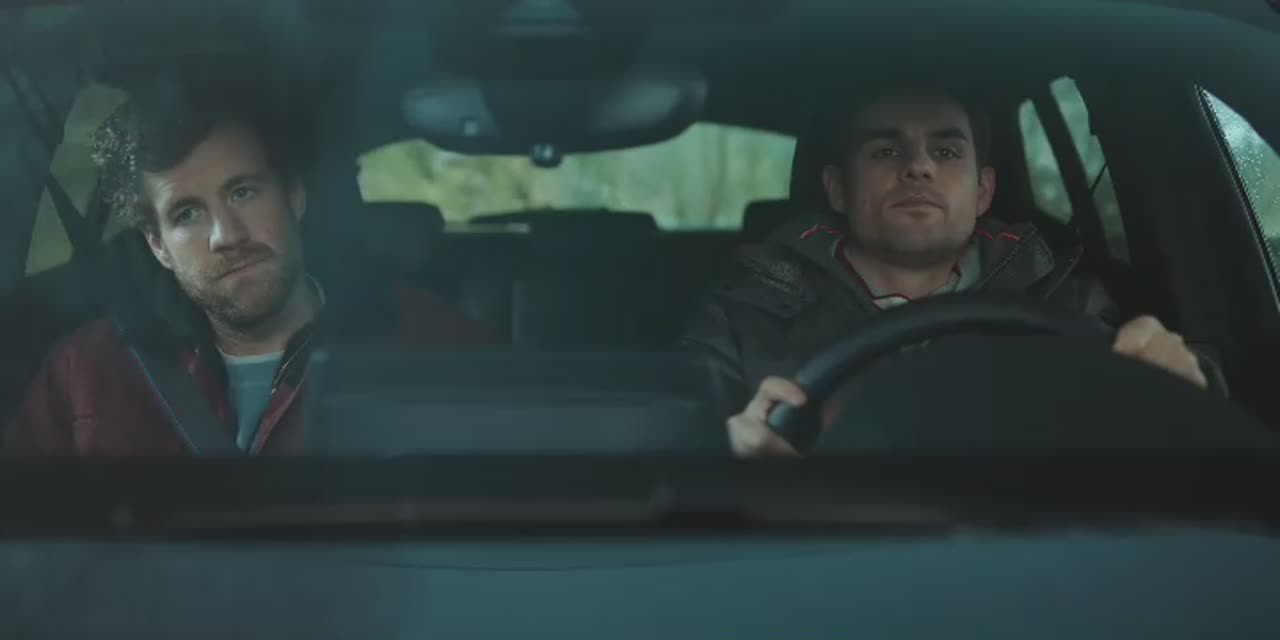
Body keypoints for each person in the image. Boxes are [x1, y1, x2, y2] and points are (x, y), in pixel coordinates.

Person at [682, 82, 1222, 457]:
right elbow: (678, 439)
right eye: (885, 151)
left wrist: (1188, 381)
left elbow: (1168, 428)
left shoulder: (1065, 299)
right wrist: (730, 453)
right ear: (838, 189)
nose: (917, 167)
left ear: (983, 190)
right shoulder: (742, 311)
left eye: (944, 152)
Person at [5, 75, 492, 456]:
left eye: (242, 192)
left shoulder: (434, 344)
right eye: (187, 214)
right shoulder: (86, 375)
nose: (226, 235)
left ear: (294, 197)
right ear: (157, 246)